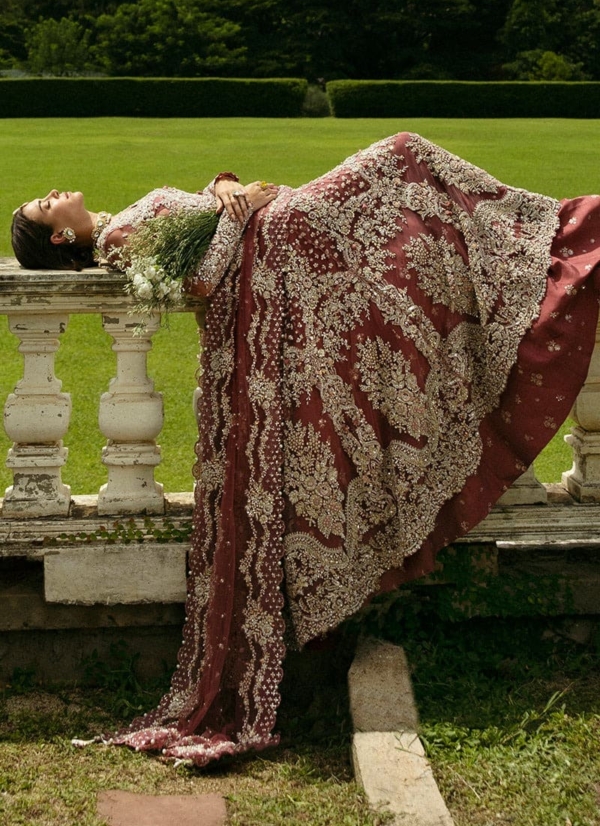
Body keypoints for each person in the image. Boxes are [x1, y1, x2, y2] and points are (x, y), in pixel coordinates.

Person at [10, 132, 600, 766]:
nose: (54, 192)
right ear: (61, 238)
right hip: (283, 236)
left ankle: (541, 234)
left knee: (408, 203)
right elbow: (203, 277)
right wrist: (247, 212)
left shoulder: (122, 222)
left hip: (281, 231)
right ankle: (555, 231)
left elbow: (202, 216)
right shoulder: (119, 242)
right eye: (45, 205)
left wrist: (226, 189)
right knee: (402, 157)